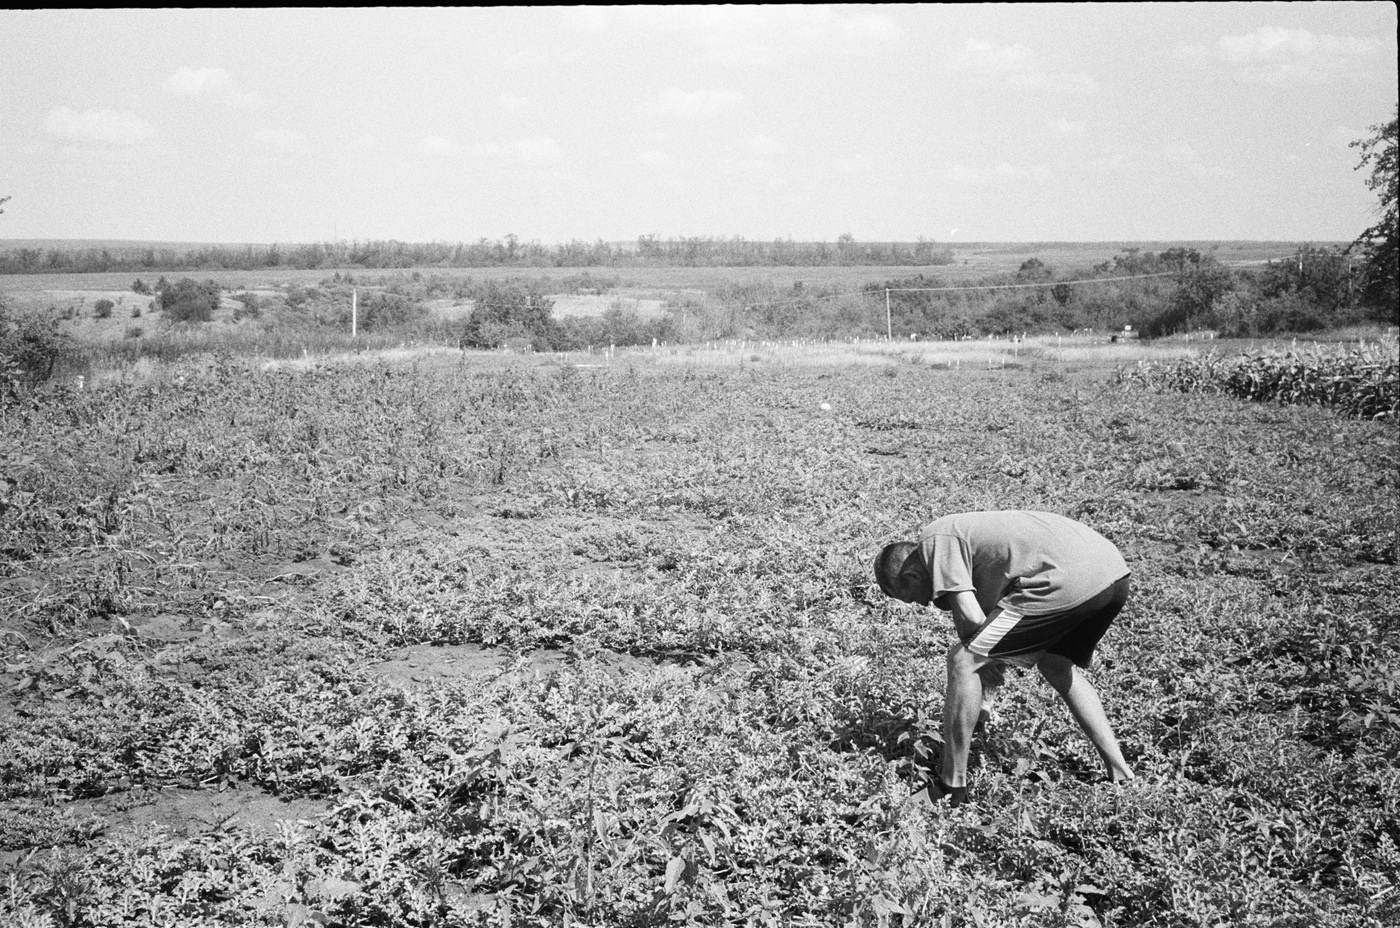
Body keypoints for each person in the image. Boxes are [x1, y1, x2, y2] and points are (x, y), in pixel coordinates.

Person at [874, 510, 1134, 805]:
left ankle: (951, 787)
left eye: (912, 597)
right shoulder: (977, 556)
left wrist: (979, 691)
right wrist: (983, 700)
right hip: (1111, 574)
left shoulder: (936, 539)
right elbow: (994, 637)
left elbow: (973, 622)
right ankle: (1121, 773)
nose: (924, 604)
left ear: (912, 575)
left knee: (962, 661)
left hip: (1062, 581)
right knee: (1056, 666)